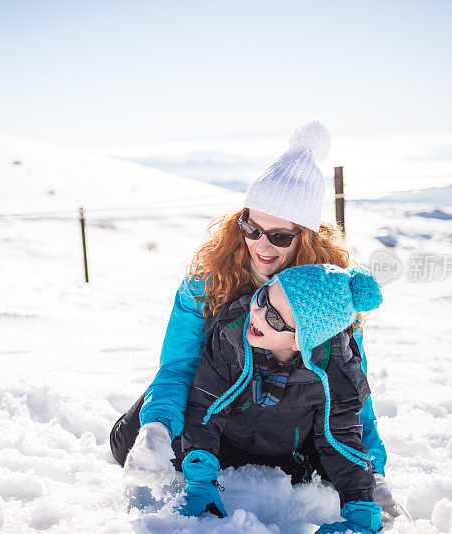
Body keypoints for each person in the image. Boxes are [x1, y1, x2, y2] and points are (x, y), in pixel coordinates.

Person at [109, 119, 405, 518]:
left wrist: (376, 473)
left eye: (280, 236)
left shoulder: (327, 295)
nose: (261, 245)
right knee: (126, 438)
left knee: (336, 466)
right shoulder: (206, 284)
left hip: (287, 424)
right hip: (212, 409)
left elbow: (348, 391)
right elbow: (178, 366)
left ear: (307, 237)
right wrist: (158, 428)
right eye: (251, 227)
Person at [176, 264, 383, 533]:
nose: (257, 314)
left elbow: (339, 436)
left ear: (302, 341)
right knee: (152, 442)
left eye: (274, 319)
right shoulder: (232, 335)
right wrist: (200, 482)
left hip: (285, 453)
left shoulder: (333, 368)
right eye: (263, 297)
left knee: (324, 469)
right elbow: (206, 406)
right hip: (226, 442)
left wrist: (362, 505)